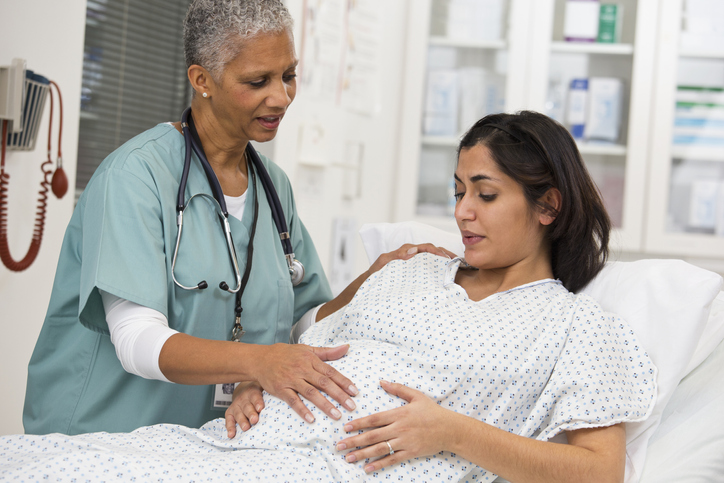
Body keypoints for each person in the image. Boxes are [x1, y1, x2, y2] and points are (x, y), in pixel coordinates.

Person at [5, 111, 655, 482]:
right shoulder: (409, 270)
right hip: (237, 448)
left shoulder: (575, 323)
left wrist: (450, 431)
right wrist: (265, 381)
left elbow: (600, 472)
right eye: (457, 191)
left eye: (485, 194)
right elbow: (303, 344)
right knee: (38, 463)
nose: (462, 212)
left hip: (338, 474)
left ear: (548, 205)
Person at [23, 0, 448, 436]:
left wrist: (374, 279)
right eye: (257, 80)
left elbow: (301, 321)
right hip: (102, 436)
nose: (281, 97)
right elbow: (136, 341)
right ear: (202, 79)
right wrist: (260, 362)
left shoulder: (273, 187)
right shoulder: (135, 176)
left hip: (204, 442)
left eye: (288, 75)